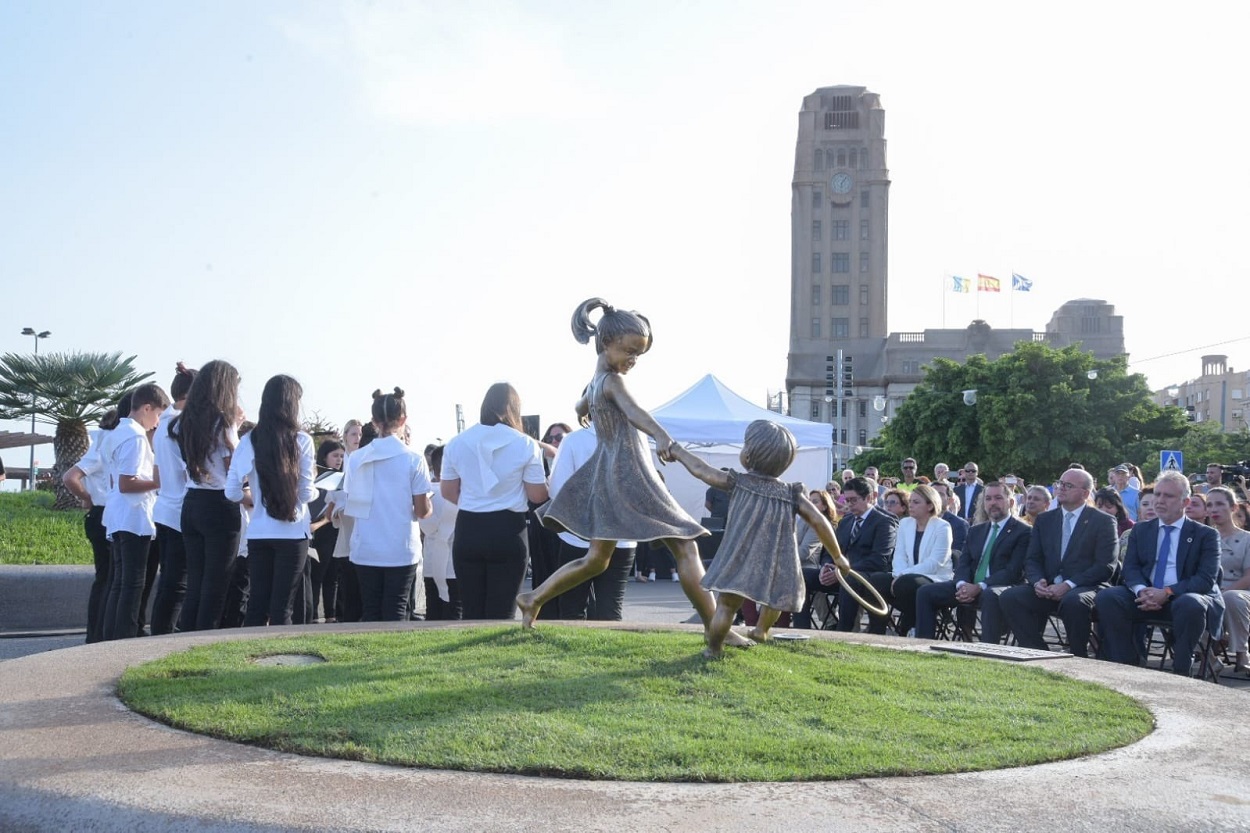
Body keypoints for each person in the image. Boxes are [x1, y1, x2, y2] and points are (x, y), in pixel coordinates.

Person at [518, 298, 750, 649]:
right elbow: (636, 411)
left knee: (596, 559)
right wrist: (661, 436)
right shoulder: (613, 382)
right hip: (630, 472)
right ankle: (716, 627)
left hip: (609, 475)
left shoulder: (595, 382)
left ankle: (534, 598)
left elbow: (581, 405)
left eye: (638, 355)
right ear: (605, 344)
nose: (633, 360)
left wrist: (583, 410)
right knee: (685, 547)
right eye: (629, 351)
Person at [669, 420, 850, 656]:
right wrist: (838, 556)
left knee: (726, 606)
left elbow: (702, 470)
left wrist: (678, 451)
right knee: (777, 598)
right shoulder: (791, 493)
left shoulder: (738, 482)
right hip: (776, 559)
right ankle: (762, 629)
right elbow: (820, 521)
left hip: (740, 555)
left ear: (750, 453)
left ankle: (714, 648)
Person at [1095, 471, 1222, 676]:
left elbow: (1205, 579)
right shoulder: (1141, 530)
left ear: (1185, 502)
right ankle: (1125, 665)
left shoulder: (1205, 535)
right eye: (1158, 494)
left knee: (1192, 604)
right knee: (1108, 597)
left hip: (1181, 597)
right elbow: (1131, 569)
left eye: (1168, 496)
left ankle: (1182, 669)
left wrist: (1168, 592)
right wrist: (1142, 590)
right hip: (1146, 596)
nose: (1160, 500)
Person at [442, 382, 547, 619]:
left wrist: (475, 500)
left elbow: (447, 491)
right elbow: (537, 495)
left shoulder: (457, 442)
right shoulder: (526, 444)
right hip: (508, 529)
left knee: (471, 609)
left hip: (469, 526)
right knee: (502, 613)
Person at [224, 375, 317, 627]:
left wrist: (253, 497)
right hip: (293, 532)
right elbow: (307, 494)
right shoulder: (302, 440)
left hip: (259, 532)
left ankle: (249, 660)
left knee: (257, 605)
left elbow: (231, 491)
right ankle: (279, 662)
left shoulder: (249, 440)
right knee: (282, 608)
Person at [1000, 468, 1118, 657]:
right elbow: (1032, 559)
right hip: (1048, 587)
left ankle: (1078, 657)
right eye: (1060, 483)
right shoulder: (1045, 519)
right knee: (1010, 597)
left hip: (1084, 586)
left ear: (1085, 493)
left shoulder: (1102, 521)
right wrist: (1037, 581)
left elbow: (1106, 566)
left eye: (1068, 485)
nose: (1061, 488)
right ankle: (1040, 653)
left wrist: (1068, 584)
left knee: (1074, 602)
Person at [341, 389, 434, 621]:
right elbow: (423, 511)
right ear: (403, 419)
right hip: (400, 548)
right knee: (397, 610)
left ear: (373, 422)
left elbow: (351, 497)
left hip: (366, 547)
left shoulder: (356, 458)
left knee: (370, 611)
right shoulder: (413, 458)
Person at [172, 360, 243, 631]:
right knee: (217, 583)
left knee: (197, 580)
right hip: (219, 504)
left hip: (191, 502)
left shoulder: (183, 421)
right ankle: (204, 640)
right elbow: (233, 468)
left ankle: (185, 636)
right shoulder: (222, 422)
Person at [544, 418, 637, 620]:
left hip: (579, 535)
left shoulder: (573, 440)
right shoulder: (634, 439)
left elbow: (557, 490)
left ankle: (572, 650)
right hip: (621, 536)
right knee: (610, 610)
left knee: (572, 608)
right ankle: (608, 651)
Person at [915, 481, 1031, 643]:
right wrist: (961, 584)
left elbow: (1014, 571)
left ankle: (987, 650)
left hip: (997, 587)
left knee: (991, 596)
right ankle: (923, 644)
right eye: (988, 499)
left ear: (1011, 502)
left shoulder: (1023, 532)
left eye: (998, 498)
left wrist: (979, 586)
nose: (993, 503)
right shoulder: (976, 530)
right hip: (968, 586)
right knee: (925, 592)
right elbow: (964, 562)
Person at [100, 383, 170, 640]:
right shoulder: (136, 437)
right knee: (132, 585)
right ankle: (124, 640)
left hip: (117, 516)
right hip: (133, 516)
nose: (157, 422)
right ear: (146, 408)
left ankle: (111, 638)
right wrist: (159, 482)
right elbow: (127, 482)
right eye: (158, 415)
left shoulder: (115, 433)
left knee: (119, 583)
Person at [62, 399, 128, 643]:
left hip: (100, 515)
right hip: (102, 514)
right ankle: (97, 635)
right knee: (107, 579)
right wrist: (87, 497)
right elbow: (70, 477)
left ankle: (97, 633)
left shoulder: (101, 445)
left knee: (106, 578)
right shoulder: (102, 449)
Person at [814, 476, 897, 634]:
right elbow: (830, 550)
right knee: (802, 575)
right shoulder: (846, 521)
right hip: (840, 571)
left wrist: (842, 571)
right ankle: (801, 628)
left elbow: (880, 559)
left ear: (870, 497)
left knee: (850, 579)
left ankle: (844, 631)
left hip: (865, 574)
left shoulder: (885, 521)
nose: (849, 505)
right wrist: (826, 567)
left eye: (854, 500)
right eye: (847, 500)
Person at [149, 362, 197, 635]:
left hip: (164, 508)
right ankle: (163, 638)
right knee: (177, 584)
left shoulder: (163, 420)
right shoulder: (182, 424)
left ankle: (160, 632)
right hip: (180, 509)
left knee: (169, 581)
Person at [885, 484, 953, 637]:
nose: (911, 505)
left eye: (916, 502)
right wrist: (899, 574)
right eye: (911, 501)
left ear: (930, 505)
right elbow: (899, 555)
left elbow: (935, 563)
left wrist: (903, 575)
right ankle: (879, 630)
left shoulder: (942, 527)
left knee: (908, 584)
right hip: (904, 576)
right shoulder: (905, 524)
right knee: (876, 581)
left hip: (935, 578)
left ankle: (911, 629)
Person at [1206, 487, 1250, 675]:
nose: (1214, 509)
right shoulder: (1205, 537)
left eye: (1220, 504)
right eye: (1209, 505)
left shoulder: (1247, 539)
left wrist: (1223, 594)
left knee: (1232, 598)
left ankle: (1242, 653)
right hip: (1209, 590)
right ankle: (1210, 659)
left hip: (1239, 592)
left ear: (1233, 508)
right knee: (1187, 602)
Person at [418, 444, 460, 620]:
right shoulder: (459, 493)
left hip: (431, 564)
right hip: (455, 565)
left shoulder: (423, 492)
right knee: (455, 612)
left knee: (433, 612)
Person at [309, 439, 345, 621]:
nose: (339, 460)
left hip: (334, 530)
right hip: (317, 533)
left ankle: (331, 615)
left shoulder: (343, 478)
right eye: (334, 456)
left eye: (341, 456)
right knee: (317, 575)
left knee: (332, 576)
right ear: (324, 457)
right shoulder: (316, 478)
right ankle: (314, 615)